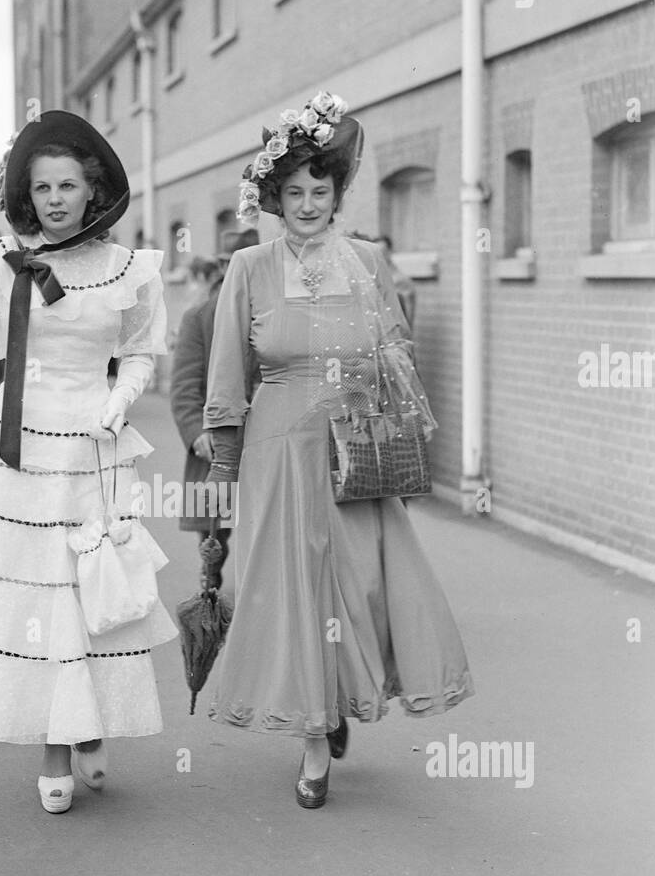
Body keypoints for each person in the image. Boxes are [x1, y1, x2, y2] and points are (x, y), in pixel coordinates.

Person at [203, 91, 474, 810]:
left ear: (336, 193)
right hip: (277, 449)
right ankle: (315, 737)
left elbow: (397, 353)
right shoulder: (249, 270)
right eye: (291, 192)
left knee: (359, 585)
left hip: (355, 447)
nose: (306, 204)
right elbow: (227, 375)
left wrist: (399, 430)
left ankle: (340, 694)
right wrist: (221, 476)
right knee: (297, 590)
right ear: (273, 198)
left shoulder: (368, 260)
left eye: (318, 190)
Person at [0, 110, 178, 814]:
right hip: (15, 449)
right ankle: (52, 744)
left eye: (68, 184)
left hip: (91, 451)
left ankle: (89, 723)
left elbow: (138, 351)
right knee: (31, 596)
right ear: (26, 194)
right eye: (41, 187)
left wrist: (120, 396)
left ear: (92, 190)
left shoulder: (125, 269)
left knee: (91, 585)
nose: (55, 199)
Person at [170, 230, 259, 587]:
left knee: (265, 537)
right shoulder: (200, 317)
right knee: (213, 546)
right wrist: (196, 432)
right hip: (215, 447)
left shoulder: (274, 310)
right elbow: (184, 387)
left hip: (266, 442)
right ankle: (212, 612)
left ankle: (261, 613)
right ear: (225, 266)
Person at [376, 233, 416, 331]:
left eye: (383, 252)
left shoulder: (400, 280)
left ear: (390, 251)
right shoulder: (377, 275)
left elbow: (408, 312)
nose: (380, 256)